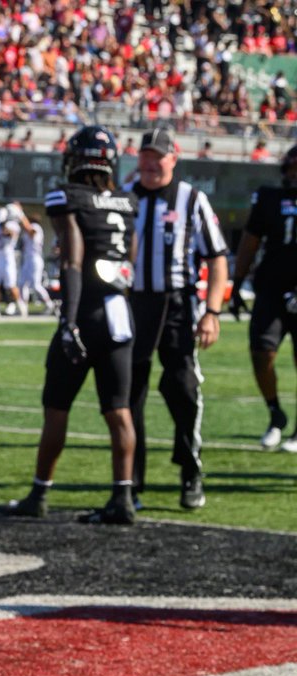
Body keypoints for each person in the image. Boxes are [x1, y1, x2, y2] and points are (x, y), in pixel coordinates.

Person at [8, 125, 139, 524]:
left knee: (57, 408)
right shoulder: (126, 201)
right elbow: (128, 261)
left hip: (85, 310)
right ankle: (123, 498)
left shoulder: (68, 197)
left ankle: (39, 493)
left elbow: (72, 259)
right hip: (119, 313)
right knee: (119, 411)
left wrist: (69, 322)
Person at [125, 127, 229, 509]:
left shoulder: (191, 199)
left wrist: (212, 312)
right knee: (129, 393)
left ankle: (190, 470)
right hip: (134, 304)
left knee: (183, 388)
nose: (151, 163)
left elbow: (217, 258)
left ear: (173, 158)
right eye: (146, 156)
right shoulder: (126, 199)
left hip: (178, 306)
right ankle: (130, 482)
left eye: (159, 156)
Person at [233, 144, 297, 452]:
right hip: (271, 288)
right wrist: (236, 284)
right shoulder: (269, 197)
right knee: (261, 353)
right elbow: (250, 240)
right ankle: (275, 413)